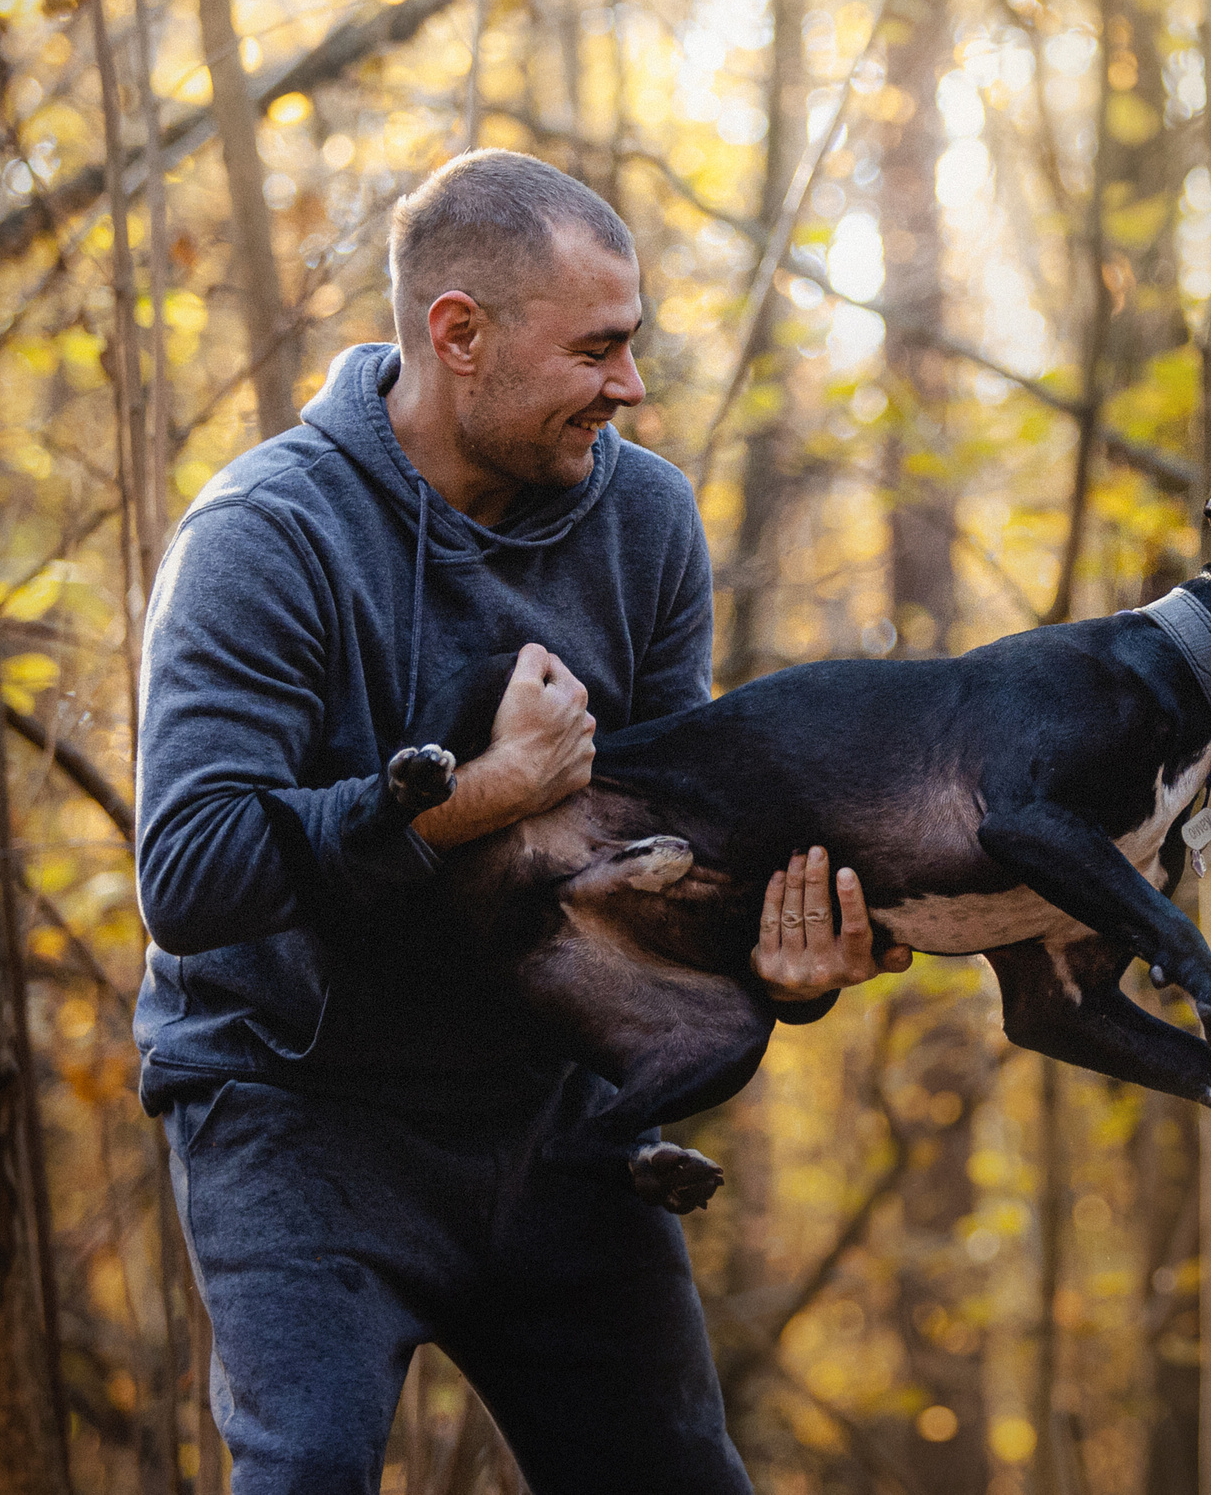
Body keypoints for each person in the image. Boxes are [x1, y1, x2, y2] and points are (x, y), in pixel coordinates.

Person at [133, 148, 906, 1493]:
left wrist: (775, 968)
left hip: (555, 1114)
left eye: (635, 345)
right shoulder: (266, 536)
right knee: (303, 1470)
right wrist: (470, 799)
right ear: (460, 335)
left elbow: (669, 853)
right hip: (301, 1112)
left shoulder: (647, 520)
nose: (630, 387)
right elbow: (190, 874)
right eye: (597, 350)